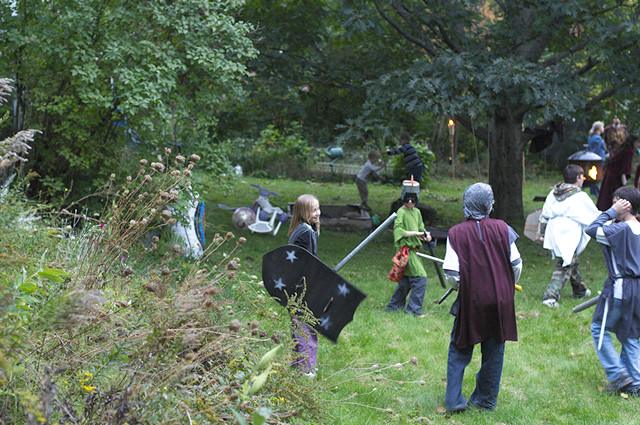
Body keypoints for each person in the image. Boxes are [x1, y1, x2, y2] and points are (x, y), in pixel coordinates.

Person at [442, 183, 522, 412]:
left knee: (459, 348)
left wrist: (462, 287)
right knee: (494, 349)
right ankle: (485, 401)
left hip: (472, 301)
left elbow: (451, 273)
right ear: (488, 204)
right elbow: (516, 264)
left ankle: (454, 401)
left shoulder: (456, 233)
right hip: (501, 301)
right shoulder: (502, 228)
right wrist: (506, 283)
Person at [585, 187, 640, 395]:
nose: (612, 206)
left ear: (626, 206)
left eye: (616, 203)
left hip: (621, 288)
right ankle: (635, 383)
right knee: (630, 334)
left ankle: (618, 375)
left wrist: (610, 213)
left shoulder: (620, 231)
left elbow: (591, 230)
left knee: (599, 329)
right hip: (638, 290)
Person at [538, 164, 599, 307]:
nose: (583, 179)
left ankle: (580, 290)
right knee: (564, 264)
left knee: (571, 261)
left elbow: (544, 214)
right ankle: (550, 296)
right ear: (578, 178)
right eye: (582, 176)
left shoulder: (553, 193)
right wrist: (611, 218)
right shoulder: (579, 196)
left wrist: (542, 233)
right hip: (568, 234)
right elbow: (594, 216)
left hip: (554, 231)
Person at [385, 180, 432, 316]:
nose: (410, 203)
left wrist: (425, 235)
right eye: (408, 200)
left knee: (405, 281)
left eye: (413, 200)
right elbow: (399, 231)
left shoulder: (417, 212)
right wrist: (416, 233)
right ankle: (413, 310)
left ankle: (394, 306)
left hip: (414, 251)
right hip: (406, 251)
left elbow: (421, 227)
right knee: (420, 278)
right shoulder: (401, 212)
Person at [287, 194, 321, 377]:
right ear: (303, 212)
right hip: (302, 287)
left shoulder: (301, 229)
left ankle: (298, 363)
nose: (318, 213)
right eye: (313, 210)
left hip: (296, 287)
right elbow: (304, 263)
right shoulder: (306, 231)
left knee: (298, 324)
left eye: (318, 208)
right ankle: (307, 368)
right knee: (306, 326)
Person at [597, 134, 638, 211]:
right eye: (638, 143)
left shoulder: (623, 148)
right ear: (634, 142)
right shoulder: (628, 151)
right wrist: (624, 183)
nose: (639, 145)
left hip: (610, 174)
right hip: (615, 178)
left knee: (606, 198)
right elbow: (624, 168)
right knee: (614, 198)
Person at [587, 120, 606, 196]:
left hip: (592, 158)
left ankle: (593, 192)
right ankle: (596, 192)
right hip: (598, 159)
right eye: (603, 127)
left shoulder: (591, 137)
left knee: (593, 175)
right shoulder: (598, 138)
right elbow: (597, 150)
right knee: (597, 175)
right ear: (600, 128)